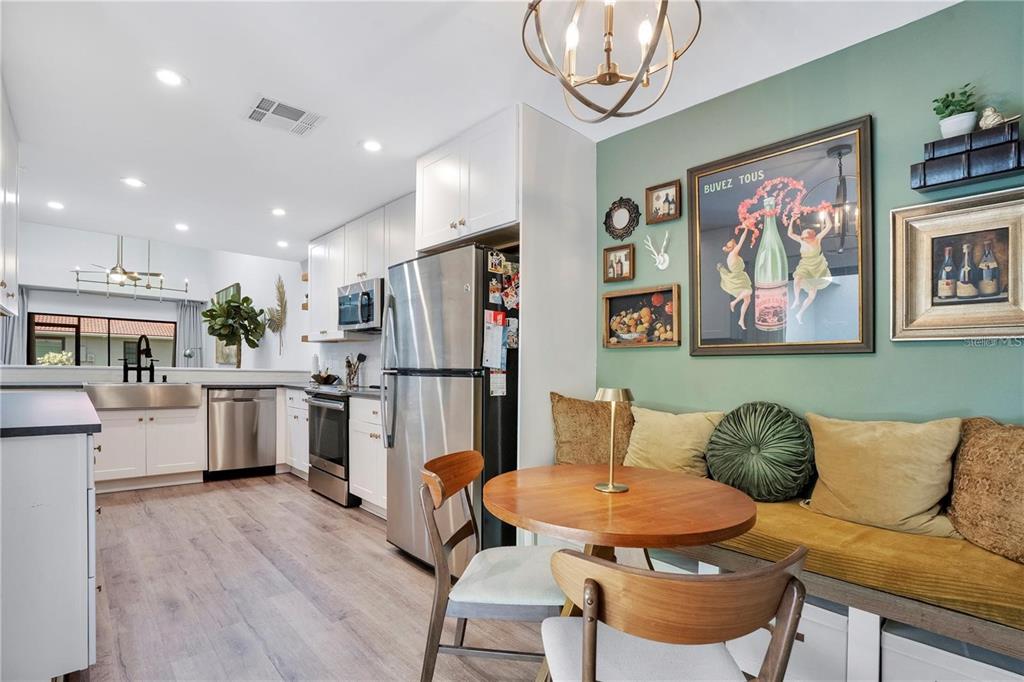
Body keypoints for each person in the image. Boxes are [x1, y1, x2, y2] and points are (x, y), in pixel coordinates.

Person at [787, 212, 834, 323]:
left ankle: (800, 314)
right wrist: (792, 220)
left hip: (817, 266)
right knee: (797, 278)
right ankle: (797, 299)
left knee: (812, 294)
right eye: (802, 236)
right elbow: (790, 234)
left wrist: (826, 212)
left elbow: (829, 226)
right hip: (805, 265)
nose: (802, 238)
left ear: (810, 236)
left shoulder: (817, 239)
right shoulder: (801, 240)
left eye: (804, 236)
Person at [716, 229, 753, 330]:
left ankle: (741, 320)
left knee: (747, 300)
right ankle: (734, 302)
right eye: (734, 244)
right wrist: (746, 229)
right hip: (738, 277)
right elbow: (742, 240)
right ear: (733, 247)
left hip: (740, 276)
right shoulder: (733, 253)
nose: (736, 244)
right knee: (749, 291)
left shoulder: (730, 255)